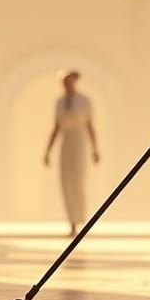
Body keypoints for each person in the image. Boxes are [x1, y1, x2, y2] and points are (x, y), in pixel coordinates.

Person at [43, 69, 100, 236]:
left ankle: (80, 219)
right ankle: (71, 222)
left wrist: (95, 149)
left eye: (68, 81)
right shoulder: (59, 102)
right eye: (63, 82)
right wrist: (48, 151)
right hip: (65, 141)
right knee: (65, 182)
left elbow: (90, 125)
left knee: (78, 181)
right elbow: (56, 127)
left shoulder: (84, 101)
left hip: (79, 141)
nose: (66, 85)